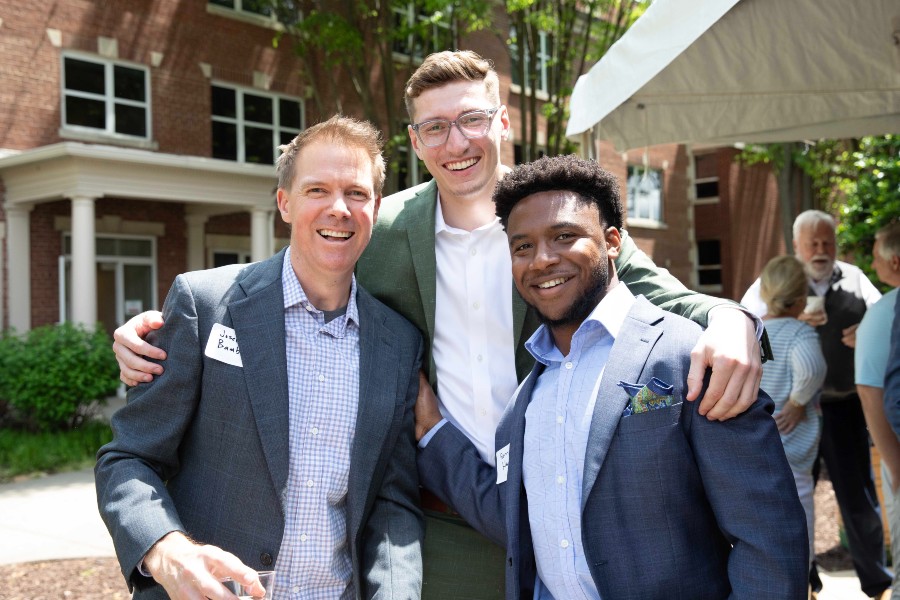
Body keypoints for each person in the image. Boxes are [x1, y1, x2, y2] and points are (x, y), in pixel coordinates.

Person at [114, 51, 769, 599]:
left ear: (504, 123)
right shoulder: (381, 226)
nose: (456, 143)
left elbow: (661, 296)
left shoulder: (555, 218)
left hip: (568, 505)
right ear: (415, 141)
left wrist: (732, 318)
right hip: (444, 519)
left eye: (472, 120)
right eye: (435, 128)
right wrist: (167, 329)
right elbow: (295, 267)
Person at [415, 155, 809, 599]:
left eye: (564, 236)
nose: (542, 260)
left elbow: (769, 539)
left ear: (612, 241)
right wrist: (434, 434)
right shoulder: (526, 399)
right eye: (522, 247)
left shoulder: (689, 355)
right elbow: (518, 523)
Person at [95, 116, 424, 600]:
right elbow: (127, 459)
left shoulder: (398, 343)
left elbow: (391, 502)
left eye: (356, 193)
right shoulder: (205, 304)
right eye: (317, 190)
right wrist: (167, 549)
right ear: (285, 203)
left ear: (375, 207)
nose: (339, 209)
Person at [742, 209, 889, 599]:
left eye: (828, 242)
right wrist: (788, 319)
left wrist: (868, 330)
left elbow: (884, 316)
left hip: (843, 407)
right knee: (793, 497)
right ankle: (806, 582)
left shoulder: (856, 278)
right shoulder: (776, 280)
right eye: (813, 243)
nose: (821, 250)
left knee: (858, 498)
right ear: (796, 246)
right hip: (789, 417)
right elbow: (742, 321)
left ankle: (877, 585)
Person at [758, 255, 826, 577]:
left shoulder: (752, 331)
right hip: (792, 447)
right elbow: (812, 368)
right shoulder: (800, 333)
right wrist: (798, 402)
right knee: (800, 521)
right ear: (801, 300)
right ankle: (803, 581)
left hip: (757, 445)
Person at [856, 222, 900, 596]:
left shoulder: (885, 313)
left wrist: (893, 463)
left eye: (876, 256)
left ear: (896, 263)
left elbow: (870, 393)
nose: (872, 264)